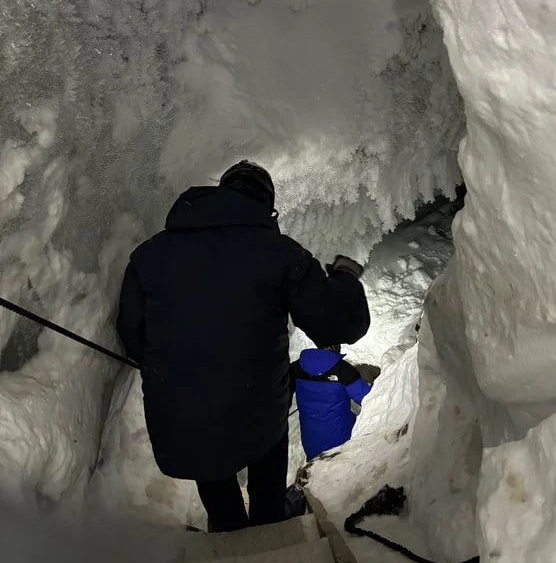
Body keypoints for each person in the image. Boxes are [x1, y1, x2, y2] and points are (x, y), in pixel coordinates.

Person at [116, 160, 370, 533]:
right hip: (257, 404)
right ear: (267, 208)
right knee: (264, 436)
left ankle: (228, 529)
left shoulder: (149, 255)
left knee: (209, 457)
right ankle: (269, 519)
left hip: (180, 410)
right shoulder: (279, 253)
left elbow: (132, 332)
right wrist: (346, 277)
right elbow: (339, 324)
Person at [291, 344, 372, 461]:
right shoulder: (343, 369)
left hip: (310, 444)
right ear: (336, 347)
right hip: (342, 444)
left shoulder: (296, 367)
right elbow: (369, 400)